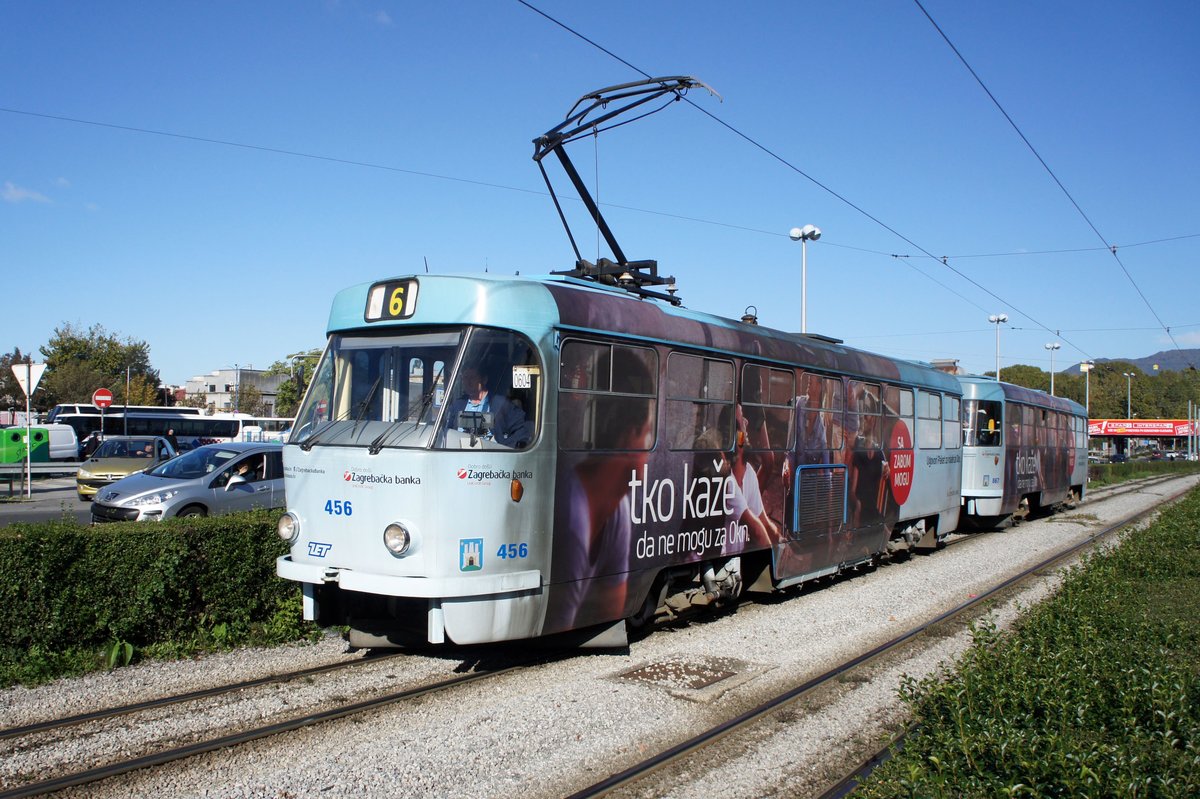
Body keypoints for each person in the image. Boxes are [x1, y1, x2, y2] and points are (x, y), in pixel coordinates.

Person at [444, 365, 530, 448]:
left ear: (484, 380)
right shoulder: (457, 405)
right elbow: (446, 430)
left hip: (491, 457)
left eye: (472, 378)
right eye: (465, 378)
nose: (468, 382)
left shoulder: (500, 404)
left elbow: (523, 429)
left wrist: (505, 448)